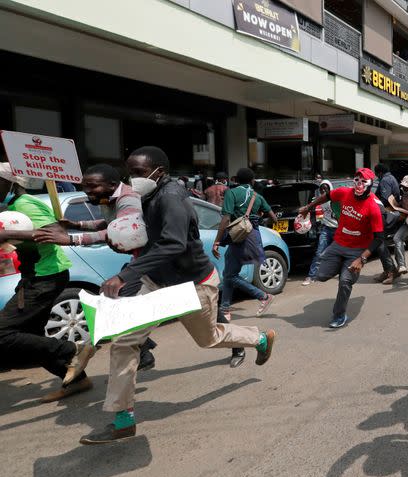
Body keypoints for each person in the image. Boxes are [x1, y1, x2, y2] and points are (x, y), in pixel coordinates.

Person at [79, 147, 277, 445]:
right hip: (156, 280)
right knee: (124, 340)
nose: (133, 178)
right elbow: (125, 226)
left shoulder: (172, 198)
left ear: (160, 171)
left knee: (208, 339)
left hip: (192, 284)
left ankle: (259, 339)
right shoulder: (141, 195)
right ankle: (123, 418)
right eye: (129, 172)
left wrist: (124, 276)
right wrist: (76, 231)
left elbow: (172, 244)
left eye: (140, 173)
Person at [34, 163, 158, 372]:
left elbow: (122, 230)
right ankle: (144, 349)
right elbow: (108, 223)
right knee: (113, 298)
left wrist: (72, 239)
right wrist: (76, 224)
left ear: (111, 184)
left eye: (93, 187)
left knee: (115, 298)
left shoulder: (127, 199)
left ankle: (144, 350)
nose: (88, 191)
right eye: (85, 187)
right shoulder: (108, 197)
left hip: (150, 260)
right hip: (141, 260)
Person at [0, 163, 96, 402]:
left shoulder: (23, 204)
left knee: (3, 333)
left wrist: (7, 236)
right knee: (31, 337)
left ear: (10, 182)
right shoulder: (13, 206)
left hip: (46, 276)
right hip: (36, 276)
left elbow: (55, 231)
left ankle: (73, 349)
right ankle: (76, 380)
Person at [298, 168, 383, 328]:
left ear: (370, 184)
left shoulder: (373, 207)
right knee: (320, 275)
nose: (359, 184)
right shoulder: (344, 192)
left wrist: (362, 258)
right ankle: (345, 269)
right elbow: (327, 196)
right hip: (338, 245)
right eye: (357, 180)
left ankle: (339, 314)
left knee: (344, 281)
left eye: (363, 181)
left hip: (357, 251)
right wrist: (308, 207)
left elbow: (379, 238)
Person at [213, 168, 278, 324]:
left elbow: (226, 219)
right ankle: (225, 309)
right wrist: (257, 219)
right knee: (230, 271)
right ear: (253, 181)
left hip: (239, 238)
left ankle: (263, 296)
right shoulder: (258, 197)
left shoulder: (232, 193)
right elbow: (274, 219)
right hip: (253, 238)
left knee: (230, 275)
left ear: (235, 179)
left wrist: (217, 241)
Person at [303, 180, 338, 286]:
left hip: (338, 229)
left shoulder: (336, 199)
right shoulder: (319, 200)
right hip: (326, 229)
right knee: (319, 253)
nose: (323, 190)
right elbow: (312, 209)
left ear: (330, 189)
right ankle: (311, 276)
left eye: (325, 188)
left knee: (339, 252)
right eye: (321, 188)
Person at [385, 175, 408, 279]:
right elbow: (402, 205)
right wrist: (395, 206)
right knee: (397, 239)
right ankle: (401, 266)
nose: (404, 188)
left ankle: (401, 265)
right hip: (405, 219)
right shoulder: (403, 193)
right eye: (403, 186)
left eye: (407, 187)